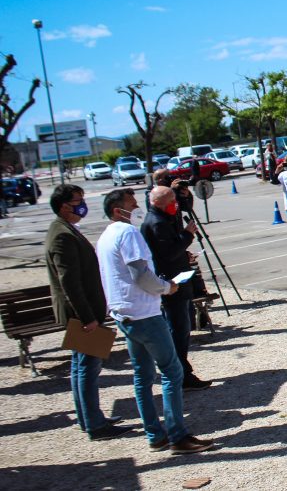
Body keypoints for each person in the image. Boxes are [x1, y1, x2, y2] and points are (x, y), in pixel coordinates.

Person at [96, 188, 215, 454]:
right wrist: (165, 287)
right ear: (118, 210)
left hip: (124, 313)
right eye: (132, 203)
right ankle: (177, 435)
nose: (137, 206)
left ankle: (155, 433)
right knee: (172, 372)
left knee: (143, 375)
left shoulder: (105, 236)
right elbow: (140, 274)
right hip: (144, 312)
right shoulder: (127, 233)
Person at [46, 184, 129, 441]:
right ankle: (95, 424)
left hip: (83, 313)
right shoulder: (62, 235)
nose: (82, 205)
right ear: (63, 206)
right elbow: (69, 281)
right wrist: (88, 318)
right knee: (87, 368)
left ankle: (89, 418)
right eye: (77, 201)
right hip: (83, 316)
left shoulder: (65, 230)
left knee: (80, 366)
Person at [141, 186, 211, 391]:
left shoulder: (164, 219)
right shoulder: (157, 223)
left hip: (177, 280)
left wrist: (185, 255)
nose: (176, 204)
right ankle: (179, 373)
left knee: (182, 327)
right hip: (171, 285)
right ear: (158, 203)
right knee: (178, 329)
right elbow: (167, 253)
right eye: (172, 201)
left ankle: (180, 370)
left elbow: (171, 251)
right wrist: (188, 235)